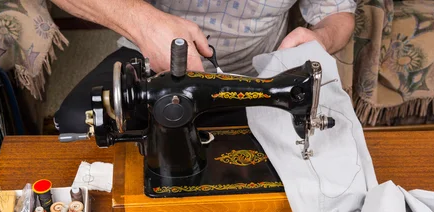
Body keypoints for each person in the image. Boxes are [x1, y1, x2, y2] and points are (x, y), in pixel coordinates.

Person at [51, 0, 356, 133]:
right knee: (82, 121)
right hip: (149, 57)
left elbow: (339, 13)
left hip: (257, 73)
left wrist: (320, 36)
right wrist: (144, 25)